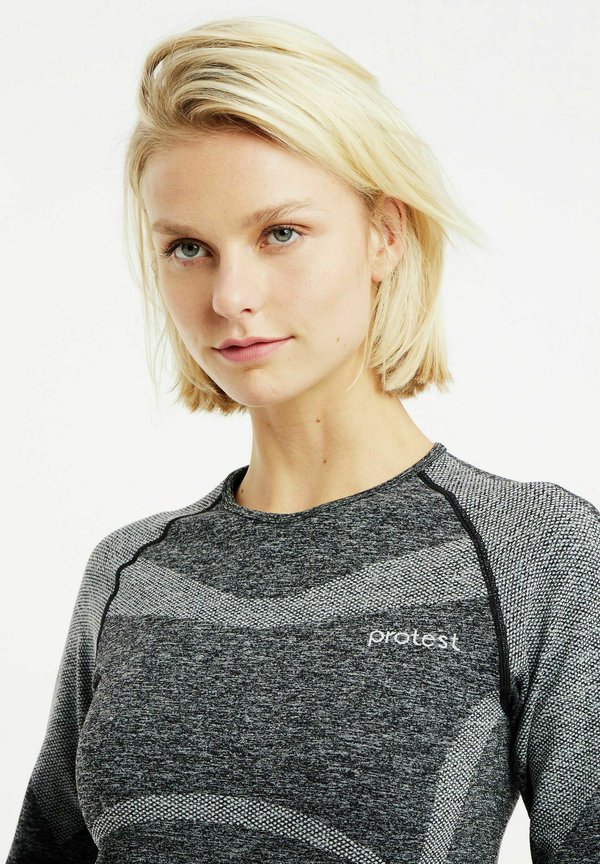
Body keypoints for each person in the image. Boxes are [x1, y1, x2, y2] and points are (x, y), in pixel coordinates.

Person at [6, 15, 599, 864]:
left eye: (279, 233)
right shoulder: (130, 571)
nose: (229, 296)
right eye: (188, 248)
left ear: (385, 235)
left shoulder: (537, 553)